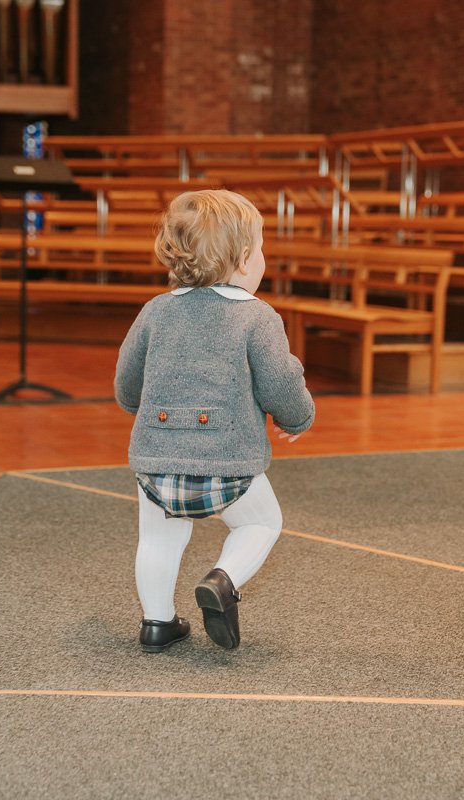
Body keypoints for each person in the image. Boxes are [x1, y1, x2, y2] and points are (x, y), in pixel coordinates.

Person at [114, 189, 315, 653]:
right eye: (261, 247)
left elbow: (127, 378)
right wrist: (298, 416)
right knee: (260, 524)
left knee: (158, 538)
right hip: (229, 460)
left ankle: (158, 623)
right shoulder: (257, 316)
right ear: (244, 259)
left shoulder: (155, 311)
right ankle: (222, 582)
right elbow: (280, 381)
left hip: (157, 456)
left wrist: (135, 406)